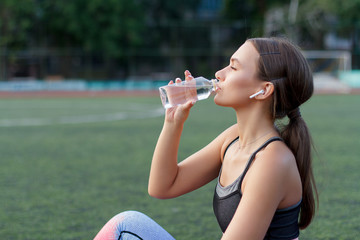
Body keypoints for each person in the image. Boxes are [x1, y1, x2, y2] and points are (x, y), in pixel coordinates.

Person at [94, 37, 318, 240]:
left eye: (233, 66)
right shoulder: (233, 139)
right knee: (128, 224)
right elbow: (163, 186)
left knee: (126, 227)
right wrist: (173, 123)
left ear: (263, 90)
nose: (219, 74)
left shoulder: (272, 162)